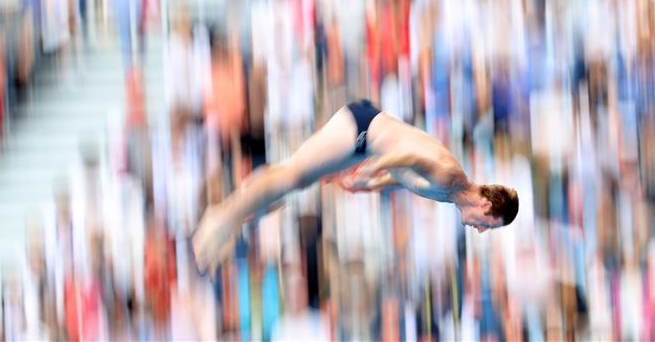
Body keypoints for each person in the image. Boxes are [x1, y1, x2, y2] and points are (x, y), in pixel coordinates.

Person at [193, 99, 519, 275]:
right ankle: (223, 217)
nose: (481, 230)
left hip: (366, 144)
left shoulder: (450, 194)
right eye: (488, 225)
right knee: (293, 175)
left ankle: (236, 216)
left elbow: (407, 175)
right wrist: (372, 169)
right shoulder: (451, 177)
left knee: (299, 180)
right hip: (363, 131)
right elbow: (410, 155)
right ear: (487, 206)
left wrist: (373, 185)